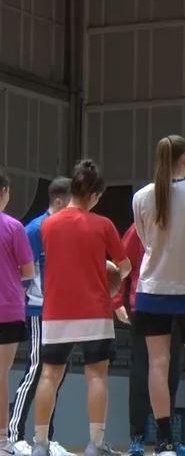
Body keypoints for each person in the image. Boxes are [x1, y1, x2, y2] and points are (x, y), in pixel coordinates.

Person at [31, 159, 132, 456]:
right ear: (95, 194)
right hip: (95, 311)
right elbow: (124, 268)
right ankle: (96, 444)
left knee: (49, 374)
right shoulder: (103, 225)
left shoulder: (49, 224)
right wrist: (110, 269)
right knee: (97, 376)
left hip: (56, 311)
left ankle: (39, 444)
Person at [132, 135, 185, 456]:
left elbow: (144, 241)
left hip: (151, 292)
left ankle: (164, 443)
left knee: (158, 364)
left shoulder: (141, 197)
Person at [8, 178, 76, 456]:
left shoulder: (67, 230)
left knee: (58, 373)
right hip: (39, 309)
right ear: (60, 201)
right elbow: (20, 270)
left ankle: (45, 438)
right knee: (36, 369)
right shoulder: (35, 230)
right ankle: (13, 434)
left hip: (63, 311)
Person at [115, 224, 185, 456]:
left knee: (171, 376)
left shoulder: (184, 224)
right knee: (141, 374)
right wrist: (117, 300)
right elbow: (122, 262)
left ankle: (166, 440)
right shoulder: (139, 227)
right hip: (144, 305)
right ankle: (137, 438)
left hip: (178, 306)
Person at [0, 170, 35, 456]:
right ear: (4, 192)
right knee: (0, 375)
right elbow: (28, 271)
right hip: (8, 310)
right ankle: (1, 441)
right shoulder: (13, 227)